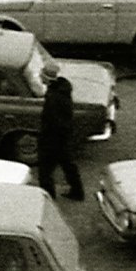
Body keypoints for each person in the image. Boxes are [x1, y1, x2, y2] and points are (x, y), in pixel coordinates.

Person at [34, 73, 82, 201]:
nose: (40, 76)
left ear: (47, 78)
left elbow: (52, 121)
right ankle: (77, 191)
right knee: (68, 164)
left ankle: (48, 198)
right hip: (64, 137)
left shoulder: (53, 97)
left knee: (45, 171)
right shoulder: (63, 91)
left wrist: (45, 138)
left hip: (52, 139)